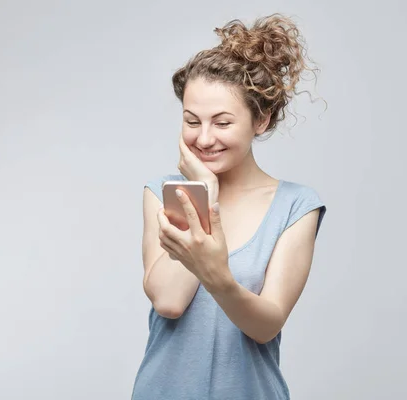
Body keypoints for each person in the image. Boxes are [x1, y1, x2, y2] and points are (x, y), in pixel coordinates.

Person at [131, 13, 327, 400]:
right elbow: (169, 301)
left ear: (261, 119)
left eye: (222, 123)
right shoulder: (162, 192)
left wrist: (217, 276)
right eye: (192, 121)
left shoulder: (296, 206)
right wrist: (203, 193)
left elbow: (265, 324)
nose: (204, 139)